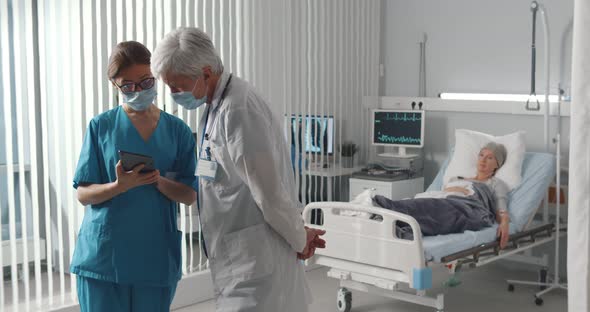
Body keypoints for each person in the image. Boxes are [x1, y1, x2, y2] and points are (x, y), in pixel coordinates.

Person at [151, 27, 326, 312]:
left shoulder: (238, 110)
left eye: (177, 86)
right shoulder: (216, 105)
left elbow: (269, 193)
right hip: (239, 258)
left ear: (205, 73)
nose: (173, 94)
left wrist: (298, 238)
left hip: (256, 263)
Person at [71, 41, 197, 312]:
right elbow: (83, 194)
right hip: (103, 259)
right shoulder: (101, 127)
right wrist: (119, 186)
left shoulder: (178, 132)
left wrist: (158, 181)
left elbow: (189, 195)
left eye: (145, 81)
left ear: (155, 76)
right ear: (115, 87)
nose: (138, 90)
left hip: (154, 255)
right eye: (127, 86)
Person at [373, 142, 511, 248]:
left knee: (430, 209)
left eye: (490, 157)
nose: (483, 160)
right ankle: (386, 216)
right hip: (442, 200)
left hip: (466, 207)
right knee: (421, 204)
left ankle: (383, 209)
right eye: (481, 155)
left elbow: (501, 208)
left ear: (497, 164)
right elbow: (441, 194)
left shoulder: (495, 183)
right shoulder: (457, 179)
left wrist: (504, 223)